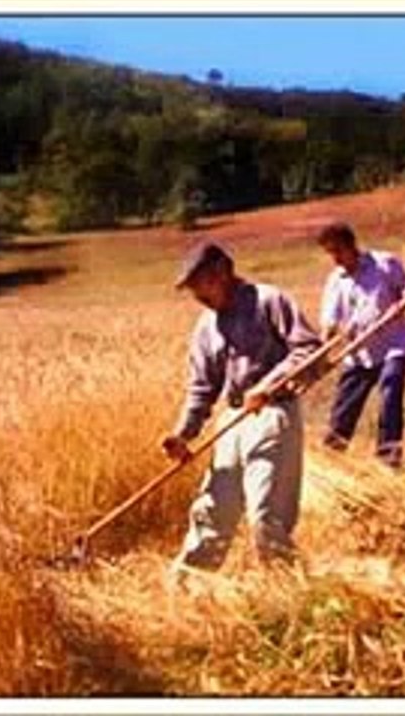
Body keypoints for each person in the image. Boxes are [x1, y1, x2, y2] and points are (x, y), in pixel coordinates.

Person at [161, 241, 322, 576]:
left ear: (223, 271)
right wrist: (183, 434)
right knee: (212, 512)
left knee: (266, 515)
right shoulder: (206, 327)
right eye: (192, 288)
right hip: (232, 422)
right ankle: (187, 590)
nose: (197, 295)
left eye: (200, 283)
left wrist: (267, 385)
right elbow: (201, 389)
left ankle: (287, 592)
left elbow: (308, 348)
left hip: (273, 414)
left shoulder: (268, 301)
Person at [317, 221, 405, 468]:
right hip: (359, 353)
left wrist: (400, 305)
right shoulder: (336, 281)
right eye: (331, 253)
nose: (335, 258)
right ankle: (332, 459)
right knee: (344, 409)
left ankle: (388, 458)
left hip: (393, 345)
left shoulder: (384, 264)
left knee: (391, 392)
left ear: (351, 245)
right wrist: (323, 349)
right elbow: (330, 323)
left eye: (338, 251)